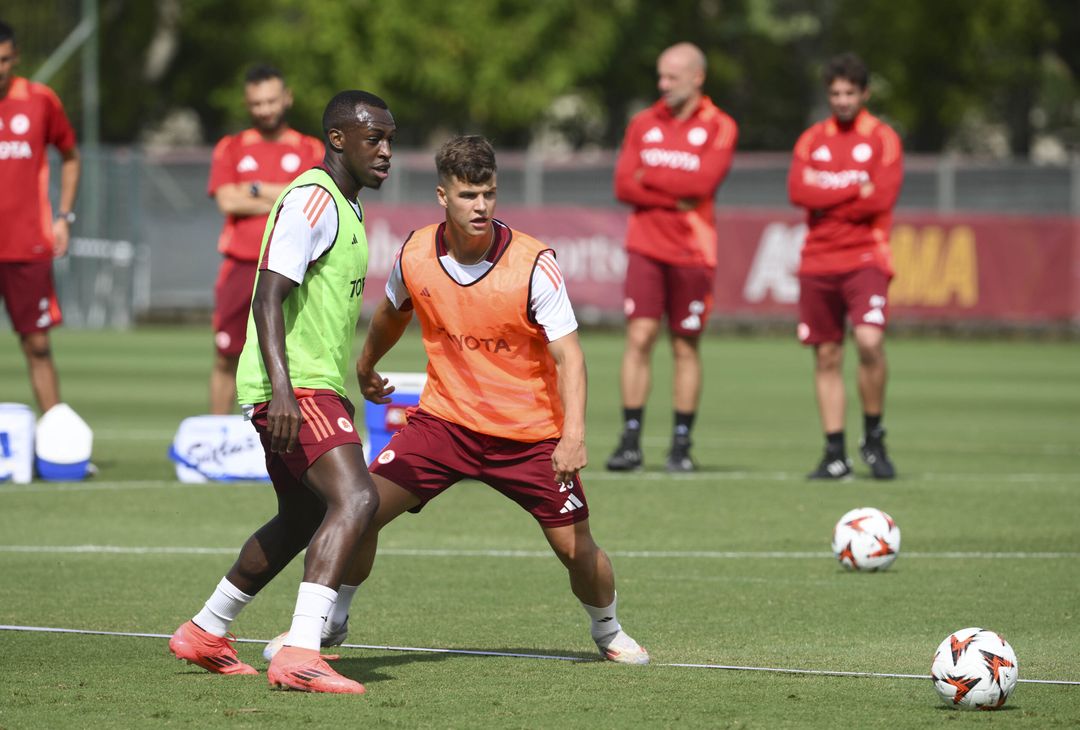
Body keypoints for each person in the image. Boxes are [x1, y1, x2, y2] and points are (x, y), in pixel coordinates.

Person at [263, 135, 650, 665]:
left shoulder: (535, 263)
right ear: (443, 195)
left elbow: (571, 358)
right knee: (361, 509)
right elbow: (393, 311)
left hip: (530, 436)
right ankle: (329, 622)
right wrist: (366, 363)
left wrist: (574, 436)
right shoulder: (416, 251)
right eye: (469, 195)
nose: (482, 206)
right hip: (444, 425)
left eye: (489, 193)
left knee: (575, 551)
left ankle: (607, 629)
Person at [168, 90, 395, 695]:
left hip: (312, 386)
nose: (387, 152)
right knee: (357, 502)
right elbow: (266, 296)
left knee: (302, 516)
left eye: (390, 139)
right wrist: (285, 391)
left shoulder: (345, 204)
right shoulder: (313, 200)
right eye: (375, 138)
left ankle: (205, 630)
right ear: (339, 139)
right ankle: (301, 651)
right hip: (294, 389)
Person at [607, 42, 738, 473]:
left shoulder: (720, 125)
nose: (662, 85)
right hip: (645, 245)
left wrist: (653, 181)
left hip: (693, 250)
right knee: (639, 339)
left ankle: (681, 444)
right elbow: (625, 185)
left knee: (685, 345)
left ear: (697, 78)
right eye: (660, 76)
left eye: (672, 77)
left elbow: (703, 183)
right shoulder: (643, 122)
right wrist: (675, 188)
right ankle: (630, 440)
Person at [787, 52, 903, 480]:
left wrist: (827, 191)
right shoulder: (811, 139)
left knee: (870, 342)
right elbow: (798, 191)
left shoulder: (883, 138)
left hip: (865, 258)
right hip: (818, 260)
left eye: (850, 92)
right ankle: (834, 452)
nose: (842, 100)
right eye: (835, 93)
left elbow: (881, 199)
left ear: (864, 93)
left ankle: (873, 437)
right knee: (827, 356)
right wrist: (855, 188)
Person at [206, 64, 324, 414]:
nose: (265, 109)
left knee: (292, 358)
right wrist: (286, 194)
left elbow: (313, 198)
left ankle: (293, 438)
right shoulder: (231, 147)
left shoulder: (310, 149)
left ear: (287, 98)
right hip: (241, 265)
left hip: (293, 269)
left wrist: (256, 189)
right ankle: (218, 436)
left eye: (272, 101)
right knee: (227, 353)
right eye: (257, 103)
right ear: (247, 104)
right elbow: (227, 200)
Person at [0, 20, 80, 414]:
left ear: (14, 58)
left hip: (26, 244)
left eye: (2, 60)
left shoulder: (40, 100)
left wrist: (63, 216)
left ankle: (55, 442)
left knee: (37, 344)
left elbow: (69, 157)